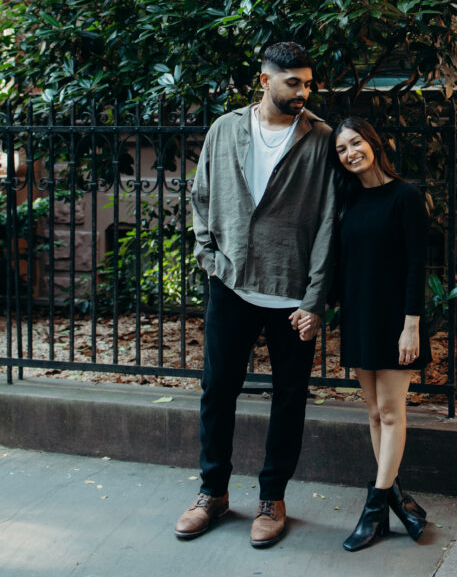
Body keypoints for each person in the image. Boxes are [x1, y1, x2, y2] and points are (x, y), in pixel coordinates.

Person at [175, 42, 336, 549]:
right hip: (231, 283)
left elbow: (330, 220)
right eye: (293, 83)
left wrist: (314, 298)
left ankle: (273, 498)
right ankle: (212, 493)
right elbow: (200, 196)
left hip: (291, 291)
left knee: (289, 398)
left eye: (307, 83)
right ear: (264, 80)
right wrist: (209, 258)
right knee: (217, 390)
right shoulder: (226, 129)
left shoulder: (320, 138)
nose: (302, 93)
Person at [301, 115, 431, 551]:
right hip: (359, 317)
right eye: (341, 149)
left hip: (396, 321)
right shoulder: (347, 200)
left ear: (373, 143)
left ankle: (374, 510)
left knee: (392, 413)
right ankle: (396, 500)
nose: (350, 153)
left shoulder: (406, 197)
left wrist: (411, 324)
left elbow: (417, 264)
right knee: (374, 413)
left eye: (356, 143)